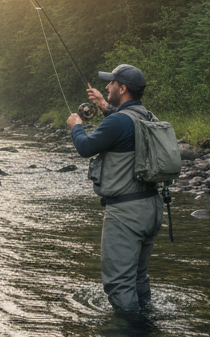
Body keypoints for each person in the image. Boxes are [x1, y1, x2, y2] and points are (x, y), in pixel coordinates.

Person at [66, 64, 163, 313]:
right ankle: (147, 329)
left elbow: (86, 147)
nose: (106, 86)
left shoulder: (119, 121)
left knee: (119, 284)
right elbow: (123, 126)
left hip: (126, 213)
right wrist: (103, 105)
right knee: (138, 278)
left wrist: (76, 125)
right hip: (152, 207)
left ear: (122, 88)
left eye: (111, 83)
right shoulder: (146, 116)